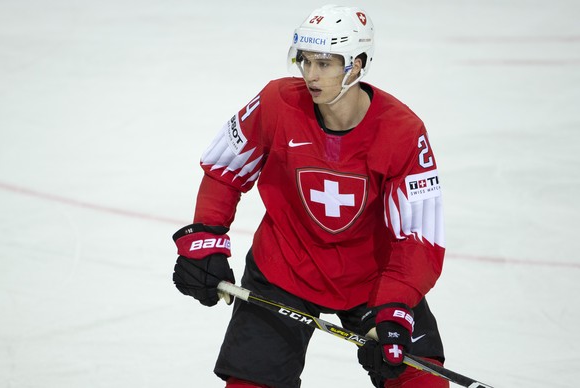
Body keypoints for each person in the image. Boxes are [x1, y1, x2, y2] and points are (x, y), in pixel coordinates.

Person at [172, 5, 448, 388]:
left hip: (373, 278)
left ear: (357, 64)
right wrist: (204, 241)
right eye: (305, 61)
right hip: (285, 265)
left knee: (421, 381)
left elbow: (418, 236)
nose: (311, 75)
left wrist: (394, 307)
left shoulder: (402, 132)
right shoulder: (277, 102)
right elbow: (226, 170)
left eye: (325, 63)